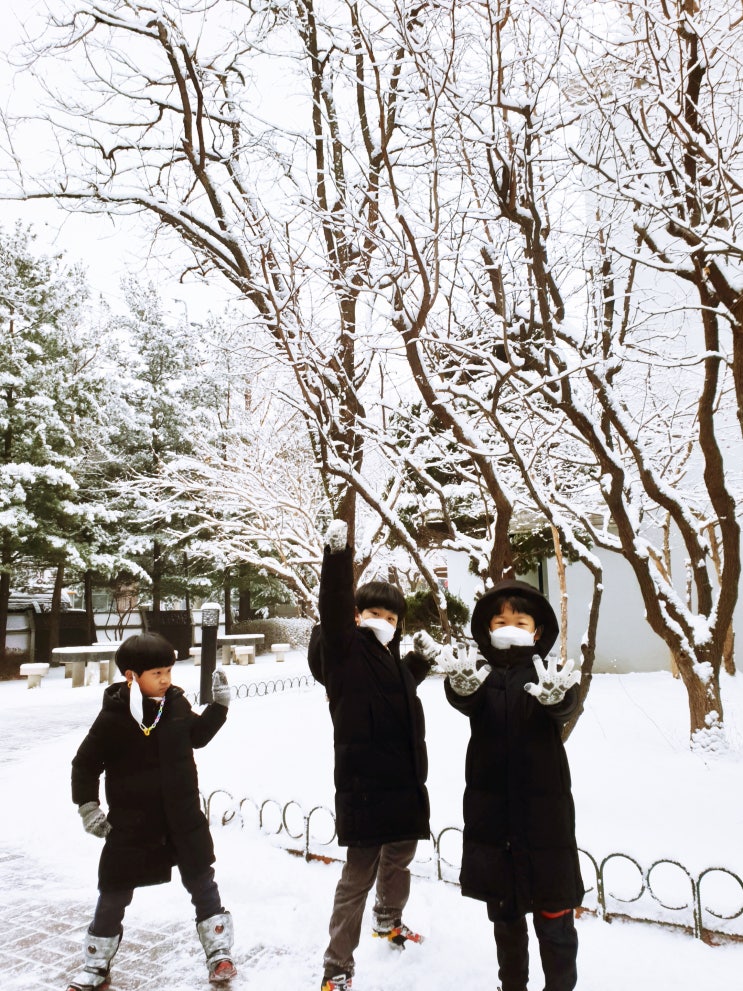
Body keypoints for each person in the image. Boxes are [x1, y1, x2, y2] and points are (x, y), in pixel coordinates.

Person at [66, 632, 237, 990]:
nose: (166, 680)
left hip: (183, 818)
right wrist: (88, 807)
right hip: (132, 824)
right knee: (113, 891)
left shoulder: (174, 705)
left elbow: (198, 736)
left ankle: (219, 953)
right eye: (157, 673)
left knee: (202, 881)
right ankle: (96, 963)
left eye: (169, 672)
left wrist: (219, 707)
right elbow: (84, 764)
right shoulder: (114, 717)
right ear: (131, 676)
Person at [438, 578, 584, 991]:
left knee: (555, 921)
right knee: (506, 919)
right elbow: (464, 697)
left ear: (536, 631)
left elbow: (566, 704)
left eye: (519, 621)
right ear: (486, 629)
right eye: (499, 621)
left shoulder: (548, 672)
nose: (509, 627)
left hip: (545, 821)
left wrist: (559, 698)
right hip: (493, 817)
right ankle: (512, 985)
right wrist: (460, 687)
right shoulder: (479, 674)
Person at [312, 520, 435, 991]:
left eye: (391, 613)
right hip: (364, 787)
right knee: (357, 877)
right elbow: (333, 608)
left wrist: (421, 662)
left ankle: (389, 920)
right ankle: (337, 967)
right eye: (372, 611)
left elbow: (397, 689)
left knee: (398, 860)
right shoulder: (344, 653)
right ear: (358, 615)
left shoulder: (390, 660)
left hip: (404, 786)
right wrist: (337, 558)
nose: (382, 619)